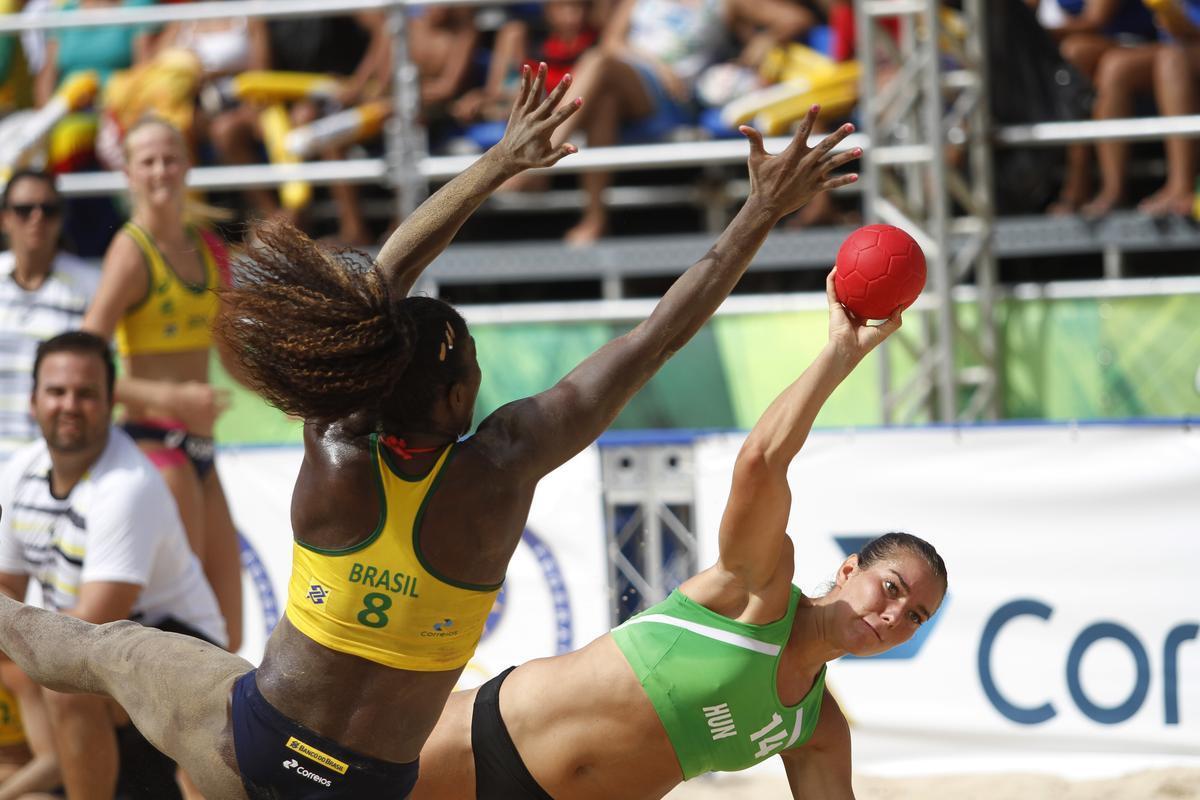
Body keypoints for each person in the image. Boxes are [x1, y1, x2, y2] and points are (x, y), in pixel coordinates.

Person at [0, 68, 859, 800]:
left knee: (91, 646)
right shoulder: (503, 466)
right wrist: (758, 213)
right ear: (454, 399)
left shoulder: (335, 449)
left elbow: (378, 282)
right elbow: (656, 337)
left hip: (254, 748)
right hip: (373, 786)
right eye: (473, 370)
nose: (483, 380)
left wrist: (494, 164)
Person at [410, 272, 946, 800]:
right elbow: (761, 460)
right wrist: (840, 355)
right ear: (850, 569)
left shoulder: (815, 728)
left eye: (917, 616)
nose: (896, 615)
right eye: (893, 588)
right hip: (486, 746)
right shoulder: (759, 587)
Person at [0, 331, 227, 800]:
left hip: (183, 655)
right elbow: (6, 588)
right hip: (110, 658)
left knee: (66, 679)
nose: (69, 405)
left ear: (109, 403)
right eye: (57, 391)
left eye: (86, 394)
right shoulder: (19, 470)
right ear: (32, 400)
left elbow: (91, 627)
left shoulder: (127, 486)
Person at [82, 116, 244, 653]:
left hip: (200, 446)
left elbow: (232, 356)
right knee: (185, 631)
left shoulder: (208, 248)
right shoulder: (131, 251)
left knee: (228, 630)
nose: (160, 171)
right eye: (147, 161)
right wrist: (171, 399)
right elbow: (85, 363)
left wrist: (303, 393)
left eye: (169, 158)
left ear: (188, 163)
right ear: (128, 172)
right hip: (153, 444)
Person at [0, 170, 97, 461]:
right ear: (5, 219)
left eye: (49, 209)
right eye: (24, 209)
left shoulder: (91, 287)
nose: (37, 217)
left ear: (61, 219)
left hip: (53, 464)